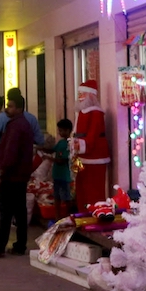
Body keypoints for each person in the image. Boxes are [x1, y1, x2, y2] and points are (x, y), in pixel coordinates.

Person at [0, 93, 37, 258]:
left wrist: (0, 174)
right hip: (20, 175)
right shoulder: (23, 124)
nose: (8, 108)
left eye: (11, 106)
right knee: (20, 212)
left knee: (5, 213)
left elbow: (10, 154)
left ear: (19, 109)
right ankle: (20, 245)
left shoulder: (15, 127)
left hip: (11, 176)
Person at [73, 79, 110, 208]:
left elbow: (93, 135)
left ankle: (94, 213)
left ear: (90, 95)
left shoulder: (96, 113)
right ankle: (82, 212)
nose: (80, 98)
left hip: (94, 156)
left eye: (82, 94)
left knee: (93, 188)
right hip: (81, 157)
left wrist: (81, 145)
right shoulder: (81, 112)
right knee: (81, 186)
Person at [43, 119, 74, 221]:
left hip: (65, 176)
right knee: (57, 196)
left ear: (68, 130)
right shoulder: (60, 142)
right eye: (59, 130)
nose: (60, 133)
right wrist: (40, 148)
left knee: (66, 198)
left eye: (61, 131)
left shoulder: (69, 144)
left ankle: (68, 217)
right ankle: (57, 217)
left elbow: (62, 160)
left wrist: (49, 158)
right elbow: (52, 150)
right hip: (57, 175)